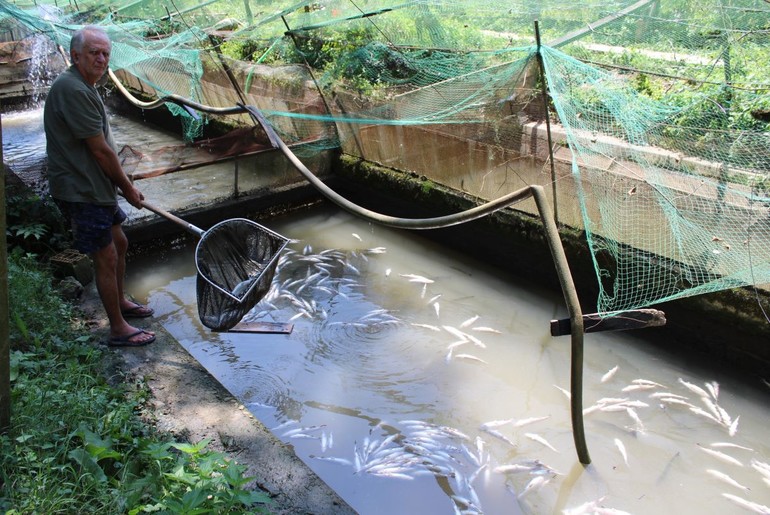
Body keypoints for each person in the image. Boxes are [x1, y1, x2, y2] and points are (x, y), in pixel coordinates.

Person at [44, 25, 156, 346]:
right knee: (105, 253)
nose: (101, 59)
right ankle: (118, 329)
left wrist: (118, 184)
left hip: (96, 186)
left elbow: (102, 151)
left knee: (119, 243)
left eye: (105, 53)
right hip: (81, 190)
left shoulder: (86, 84)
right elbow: (100, 150)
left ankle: (119, 301)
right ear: (75, 55)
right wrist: (128, 188)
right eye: (94, 52)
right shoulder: (73, 89)